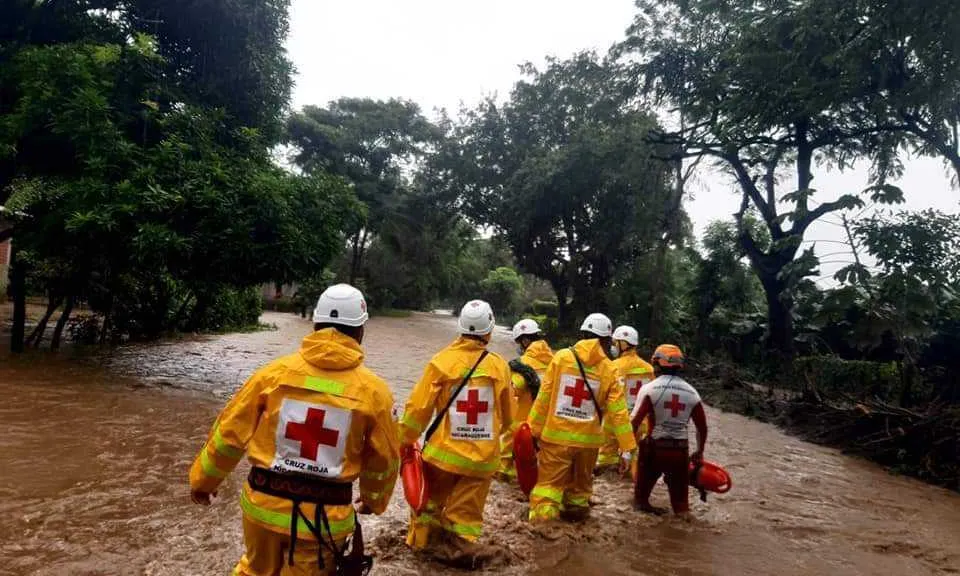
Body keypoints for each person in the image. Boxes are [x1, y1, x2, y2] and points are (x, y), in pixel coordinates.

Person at [188, 284, 400, 575]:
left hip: (262, 508)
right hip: (323, 522)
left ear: (315, 324)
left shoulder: (271, 374)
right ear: (360, 331)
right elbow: (385, 458)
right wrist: (374, 500)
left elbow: (229, 435)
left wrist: (202, 482)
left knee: (253, 570)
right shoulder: (376, 393)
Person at [399, 300, 512, 558]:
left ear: (460, 327)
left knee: (427, 507)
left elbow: (418, 410)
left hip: (442, 456)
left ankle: (419, 550)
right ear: (489, 330)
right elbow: (507, 417)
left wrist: (404, 440)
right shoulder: (499, 366)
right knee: (465, 518)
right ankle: (458, 556)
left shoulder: (441, 362)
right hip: (481, 461)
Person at [527, 313, 637, 523]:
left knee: (548, 490)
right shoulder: (610, 369)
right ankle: (576, 522)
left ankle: (543, 529)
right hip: (588, 444)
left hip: (556, 440)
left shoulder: (562, 358)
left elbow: (543, 398)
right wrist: (627, 449)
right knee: (579, 493)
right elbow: (619, 413)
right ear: (606, 340)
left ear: (583, 333)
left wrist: (532, 431)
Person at [630, 344, 708, 516]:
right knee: (681, 508)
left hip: (653, 450)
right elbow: (702, 428)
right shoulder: (692, 393)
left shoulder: (649, 389)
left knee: (640, 503)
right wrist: (699, 451)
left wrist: (627, 452)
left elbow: (634, 422)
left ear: (656, 362)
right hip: (680, 452)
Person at [496, 318, 555, 482]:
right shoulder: (555, 361)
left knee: (505, 459)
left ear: (525, 341)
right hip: (546, 424)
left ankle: (505, 473)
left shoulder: (522, 364)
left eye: (519, 342)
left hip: (522, 423)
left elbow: (513, 389)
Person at [597, 325, 655, 473]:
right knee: (636, 460)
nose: (613, 346)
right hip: (640, 423)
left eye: (615, 343)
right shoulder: (649, 368)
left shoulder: (613, 366)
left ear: (623, 344)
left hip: (615, 423)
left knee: (606, 461)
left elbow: (605, 395)